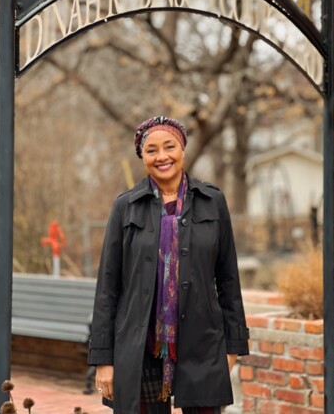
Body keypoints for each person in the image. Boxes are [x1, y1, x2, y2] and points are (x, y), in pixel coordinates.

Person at [89, 116, 249, 414]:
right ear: (142, 157)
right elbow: (107, 288)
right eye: (151, 150)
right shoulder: (125, 206)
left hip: (202, 344)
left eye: (169, 146)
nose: (162, 156)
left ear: (183, 150)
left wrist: (234, 346)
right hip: (140, 346)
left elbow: (228, 279)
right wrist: (103, 359)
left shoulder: (212, 201)